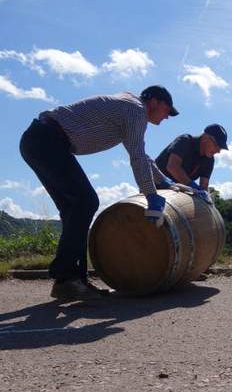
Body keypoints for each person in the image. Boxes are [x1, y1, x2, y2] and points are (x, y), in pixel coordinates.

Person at [19, 85, 179, 301]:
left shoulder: (129, 107)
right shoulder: (136, 110)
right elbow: (137, 157)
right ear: (154, 102)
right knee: (86, 201)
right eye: (167, 111)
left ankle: (71, 281)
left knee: (73, 207)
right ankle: (68, 279)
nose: (167, 117)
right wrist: (151, 195)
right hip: (48, 139)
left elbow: (142, 155)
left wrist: (164, 181)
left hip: (38, 139)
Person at [154, 124, 228, 203]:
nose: (218, 151)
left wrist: (206, 197)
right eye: (216, 145)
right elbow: (172, 167)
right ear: (205, 137)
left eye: (220, 148)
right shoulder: (185, 141)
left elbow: (204, 186)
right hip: (156, 187)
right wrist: (193, 186)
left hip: (178, 194)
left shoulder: (209, 159)